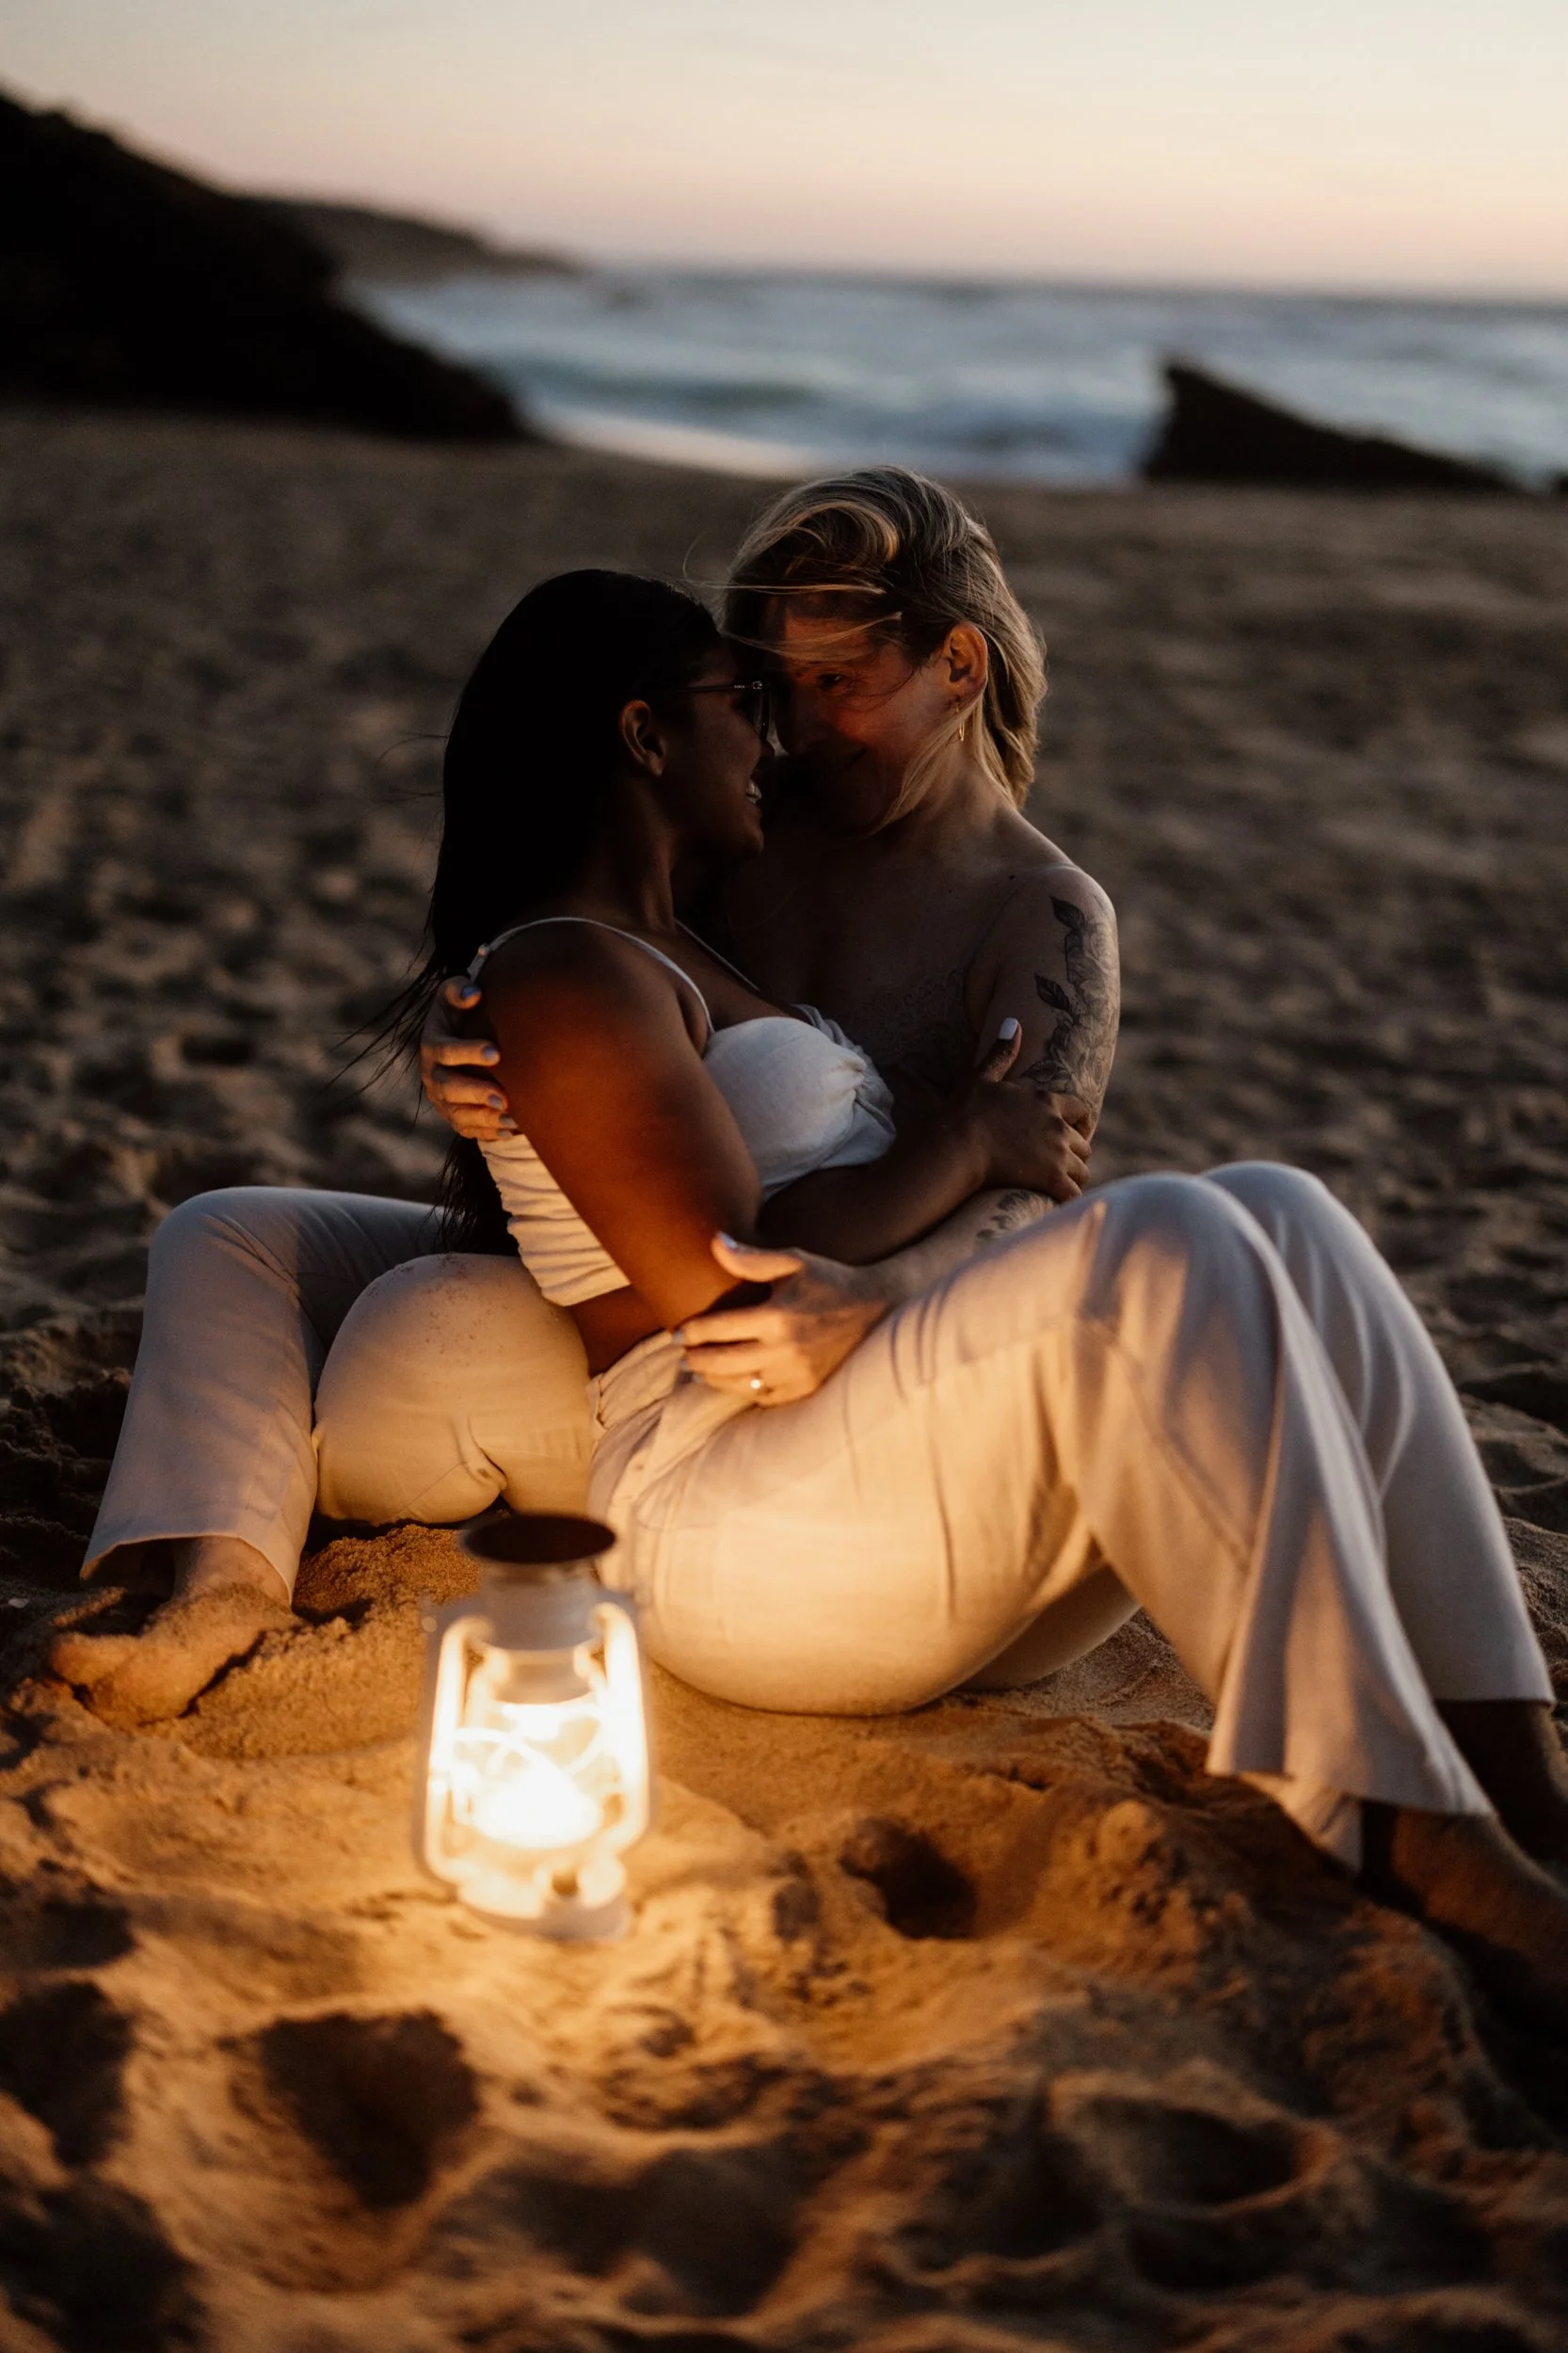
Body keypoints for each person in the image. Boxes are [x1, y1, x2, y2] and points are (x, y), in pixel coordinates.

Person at [61, 562, 1568, 2025]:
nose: (771, 734)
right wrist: (965, 1135)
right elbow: (724, 1276)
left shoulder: (702, 933)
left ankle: (1514, 1784)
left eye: (803, 695)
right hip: (734, 1517)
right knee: (1166, 1232)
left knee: (1283, 1210)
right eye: (743, 700)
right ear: (646, 734)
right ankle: (1391, 1820)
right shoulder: (564, 969)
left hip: (892, 1489)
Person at [56, 470, 1116, 1719]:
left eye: (838, 686)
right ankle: (218, 1571)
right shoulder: (747, 834)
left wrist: (868, 1296)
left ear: (957, 665)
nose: (797, 732)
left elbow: (1026, 1191)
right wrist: (477, 1043)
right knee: (227, 1232)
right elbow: (599, 970)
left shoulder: (1042, 918)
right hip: (655, 1268)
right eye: (770, 694)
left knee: (443, 1321)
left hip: (818, 1328)